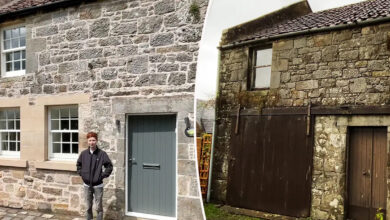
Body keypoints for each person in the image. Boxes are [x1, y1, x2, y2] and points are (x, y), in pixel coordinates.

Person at [76, 132, 113, 220]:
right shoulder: (84, 154)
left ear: (96, 141)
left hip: (98, 185)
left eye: (93, 140)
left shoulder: (102, 154)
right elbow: (78, 165)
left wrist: (101, 176)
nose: (91, 142)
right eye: (90, 140)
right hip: (87, 185)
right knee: (88, 207)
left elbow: (109, 166)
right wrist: (82, 174)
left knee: (98, 207)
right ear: (87, 141)